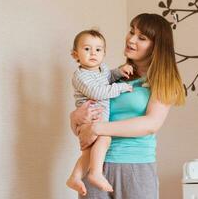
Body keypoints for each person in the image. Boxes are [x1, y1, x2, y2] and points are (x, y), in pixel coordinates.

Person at [70, 13, 185, 199]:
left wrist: (97, 128)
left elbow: (151, 124)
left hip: (135, 167)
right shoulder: (114, 78)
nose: (131, 39)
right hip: (94, 165)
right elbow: (86, 124)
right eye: (131, 31)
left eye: (142, 37)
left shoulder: (163, 80)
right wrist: (74, 118)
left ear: (156, 46)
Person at [66, 29, 133, 196]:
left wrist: (119, 72)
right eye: (87, 49)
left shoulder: (102, 69)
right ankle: (95, 173)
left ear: (104, 53)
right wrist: (122, 87)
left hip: (98, 119)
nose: (93, 53)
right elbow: (98, 92)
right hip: (89, 118)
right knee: (105, 137)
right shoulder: (80, 76)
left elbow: (108, 77)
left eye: (98, 49)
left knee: (89, 152)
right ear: (75, 55)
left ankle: (75, 177)